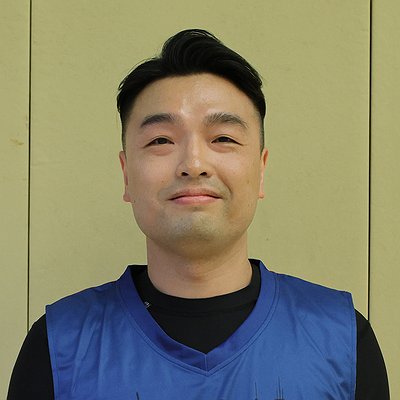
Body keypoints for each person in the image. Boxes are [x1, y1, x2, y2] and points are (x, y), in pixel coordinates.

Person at [8, 29, 389, 400]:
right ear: (126, 175)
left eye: (223, 138)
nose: (193, 164)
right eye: (161, 140)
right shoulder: (59, 346)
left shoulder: (342, 340)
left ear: (261, 170)